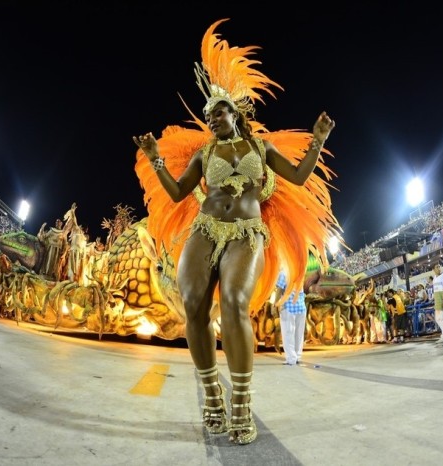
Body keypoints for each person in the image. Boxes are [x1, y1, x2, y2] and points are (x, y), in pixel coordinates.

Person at [131, 19, 339, 446]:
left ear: (234, 112)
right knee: (191, 304)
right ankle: (211, 394)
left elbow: (298, 177)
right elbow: (175, 193)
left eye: (219, 112)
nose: (212, 119)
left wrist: (317, 140)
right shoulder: (205, 153)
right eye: (208, 116)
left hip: (246, 230)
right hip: (205, 226)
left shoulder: (261, 149)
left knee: (234, 302)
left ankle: (241, 402)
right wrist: (154, 158)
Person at [274, 270, 307, 366]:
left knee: (288, 333)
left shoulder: (284, 272)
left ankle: (291, 359)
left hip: (288, 307)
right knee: (299, 334)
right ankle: (297, 356)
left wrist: (275, 304)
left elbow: (280, 289)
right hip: (301, 306)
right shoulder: (299, 271)